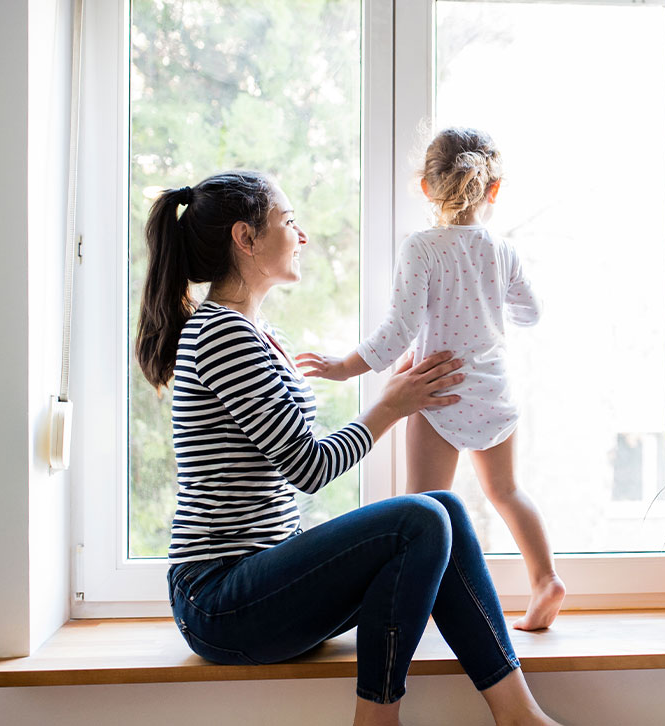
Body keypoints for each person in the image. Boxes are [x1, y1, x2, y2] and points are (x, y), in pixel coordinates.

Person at [135, 170, 560, 726]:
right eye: (288, 221)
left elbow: (288, 454)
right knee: (420, 518)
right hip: (219, 600)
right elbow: (307, 466)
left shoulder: (254, 331)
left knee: (445, 509)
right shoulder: (221, 334)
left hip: (259, 582)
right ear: (245, 238)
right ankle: (377, 721)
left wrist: (397, 394)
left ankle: (520, 716)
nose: (302, 234)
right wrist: (390, 405)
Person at [301, 128, 565, 631]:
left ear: (425, 186)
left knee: (421, 510)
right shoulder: (502, 250)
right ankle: (546, 579)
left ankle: (416, 608)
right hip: (494, 392)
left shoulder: (420, 249)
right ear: (494, 189)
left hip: (437, 392)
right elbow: (531, 312)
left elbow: (397, 332)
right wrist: (491, 303)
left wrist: (343, 367)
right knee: (507, 491)